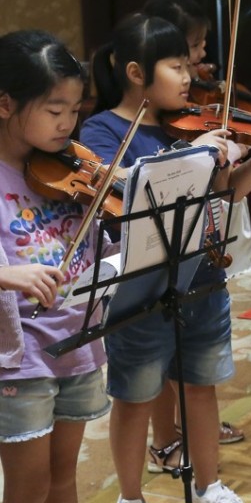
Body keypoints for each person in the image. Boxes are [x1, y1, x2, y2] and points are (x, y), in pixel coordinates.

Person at [81, 13, 251, 503]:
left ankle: (210, 485)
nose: (190, 78)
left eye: (189, 66)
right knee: (134, 396)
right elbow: (124, 188)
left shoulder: (187, 128)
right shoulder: (103, 131)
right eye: (176, 66)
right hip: (141, 285)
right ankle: (130, 495)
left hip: (203, 277)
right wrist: (192, 154)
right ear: (136, 73)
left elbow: (227, 194)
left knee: (201, 388)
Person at [0, 31, 111, 503]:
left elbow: (97, 247)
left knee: (64, 479)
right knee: (29, 486)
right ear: (5, 104)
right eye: (53, 110)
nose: (68, 123)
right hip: (20, 358)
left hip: (78, 342)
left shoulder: (68, 169)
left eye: (75, 110)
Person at [144, 0, 249, 441]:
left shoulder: (192, 112)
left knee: (193, 367)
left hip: (201, 267)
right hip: (155, 269)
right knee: (157, 365)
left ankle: (192, 430)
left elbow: (228, 186)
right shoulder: (140, 128)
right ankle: (166, 436)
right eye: (190, 49)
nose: (199, 62)